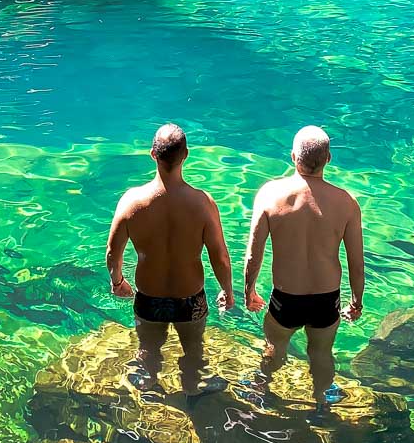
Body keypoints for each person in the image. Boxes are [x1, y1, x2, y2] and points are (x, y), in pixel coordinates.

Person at [106, 123, 234, 395]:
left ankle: (149, 396)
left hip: (148, 299)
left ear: (153, 154)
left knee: (147, 352)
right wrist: (227, 291)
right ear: (185, 154)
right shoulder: (202, 203)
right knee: (194, 354)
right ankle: (193, 395)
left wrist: (118, 283)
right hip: (191, 300)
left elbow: (112, 253)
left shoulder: (132, 201)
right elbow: (220, 258)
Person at [244, 126, 364, 411]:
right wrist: (357, 301)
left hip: (287, 297)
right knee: (321, 353)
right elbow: (356, 262)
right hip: (327, 298)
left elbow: (253, 252)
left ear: (293, 156)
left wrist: (249, 290)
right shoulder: (346, 202)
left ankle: (262, 389)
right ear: (329, 158)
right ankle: (322, 403)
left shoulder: (271, 194)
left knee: (275, 348)